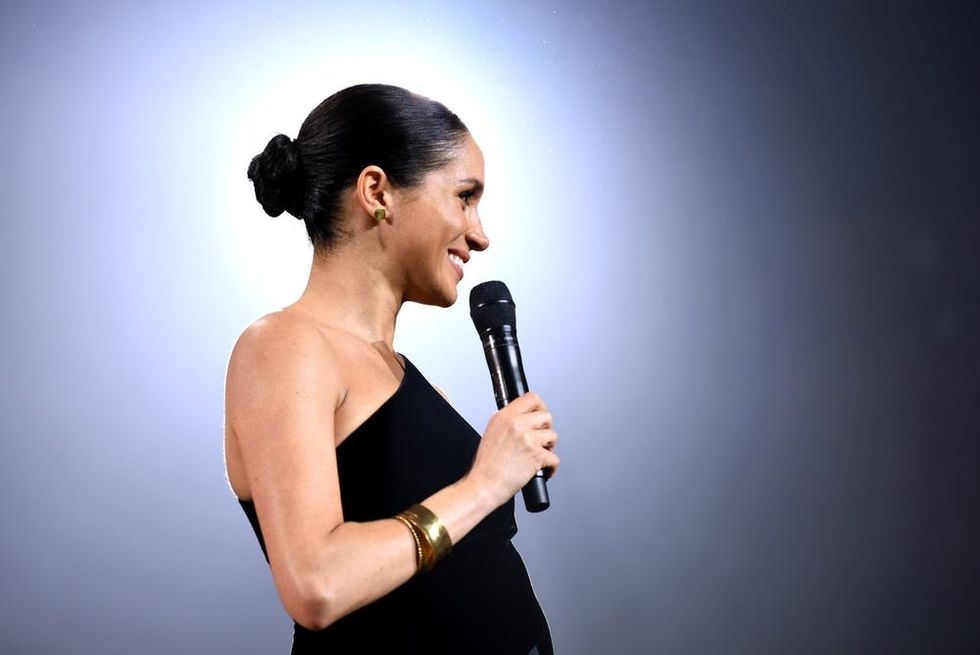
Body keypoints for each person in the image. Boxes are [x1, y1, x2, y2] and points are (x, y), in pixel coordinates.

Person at [224, 84, 560, 654]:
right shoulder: (282, 346)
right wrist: (483, 483)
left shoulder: (404, 374)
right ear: (377, 191)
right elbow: (317, 585)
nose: (480, 235)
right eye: (464, 196)